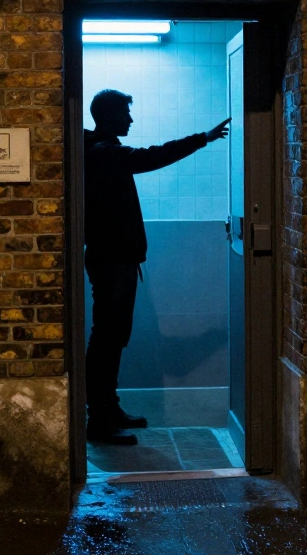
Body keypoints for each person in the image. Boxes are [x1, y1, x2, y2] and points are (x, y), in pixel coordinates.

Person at [83, 89, 230, 446]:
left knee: (112, 337)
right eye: (125, 113)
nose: (130, 119)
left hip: (115, 259)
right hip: (112, 260)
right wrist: (203, 138)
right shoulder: (104, 153)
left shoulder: (100, 149)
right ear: (108, 116)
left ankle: (108, 408)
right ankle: (100, 419)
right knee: (107, 339)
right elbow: (154, 156)